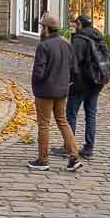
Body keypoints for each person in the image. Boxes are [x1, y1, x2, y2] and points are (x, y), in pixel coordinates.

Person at [27, 15, 83, 172]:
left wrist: (37, 84)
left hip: (45, 91)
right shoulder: (66, 44)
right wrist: (66, 82)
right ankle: (74, 156)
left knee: (44, 124)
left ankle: (43, 159)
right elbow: (74, 69)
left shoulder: (43, 46)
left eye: (42, 27)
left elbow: (39, 72)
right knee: (63, 121)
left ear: (46, 28)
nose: (40, 30)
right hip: (62, 90)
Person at [58, 15, 110, 159]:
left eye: (76, 24)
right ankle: (89, 148)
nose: (75, 26)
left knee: (71, 114)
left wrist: (69, 80)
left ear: (80, 24)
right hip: (96, 82)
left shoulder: (80, 39)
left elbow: (73, 62)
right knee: (91, 115)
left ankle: (69, 146)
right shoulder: (99, 37)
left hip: (81, 83)